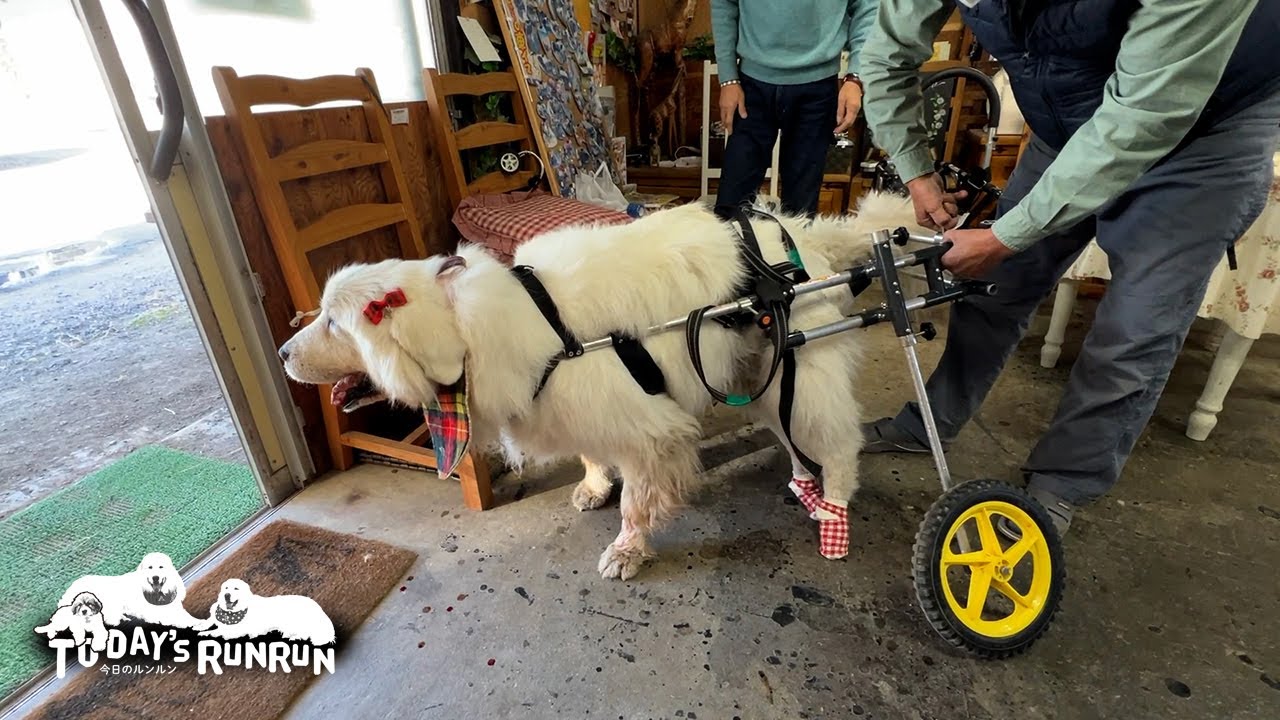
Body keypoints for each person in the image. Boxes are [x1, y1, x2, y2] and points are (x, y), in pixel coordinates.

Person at [857, 0, 1280, 537]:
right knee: (995, 288)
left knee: (1134, 329)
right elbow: (887, 56)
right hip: (1070, 123)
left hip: (1203, 134)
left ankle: (1063, 481)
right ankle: (929, 423)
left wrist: (1004, 236)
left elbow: (1143, 117)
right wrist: (917, 173)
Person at [710, 0, 880, 218]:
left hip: (817, 87)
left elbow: (868, 7)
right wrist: (728, 78)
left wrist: (856, 77)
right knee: (731, 205)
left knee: (801, 212)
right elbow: (724, 4)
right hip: (751, 86)